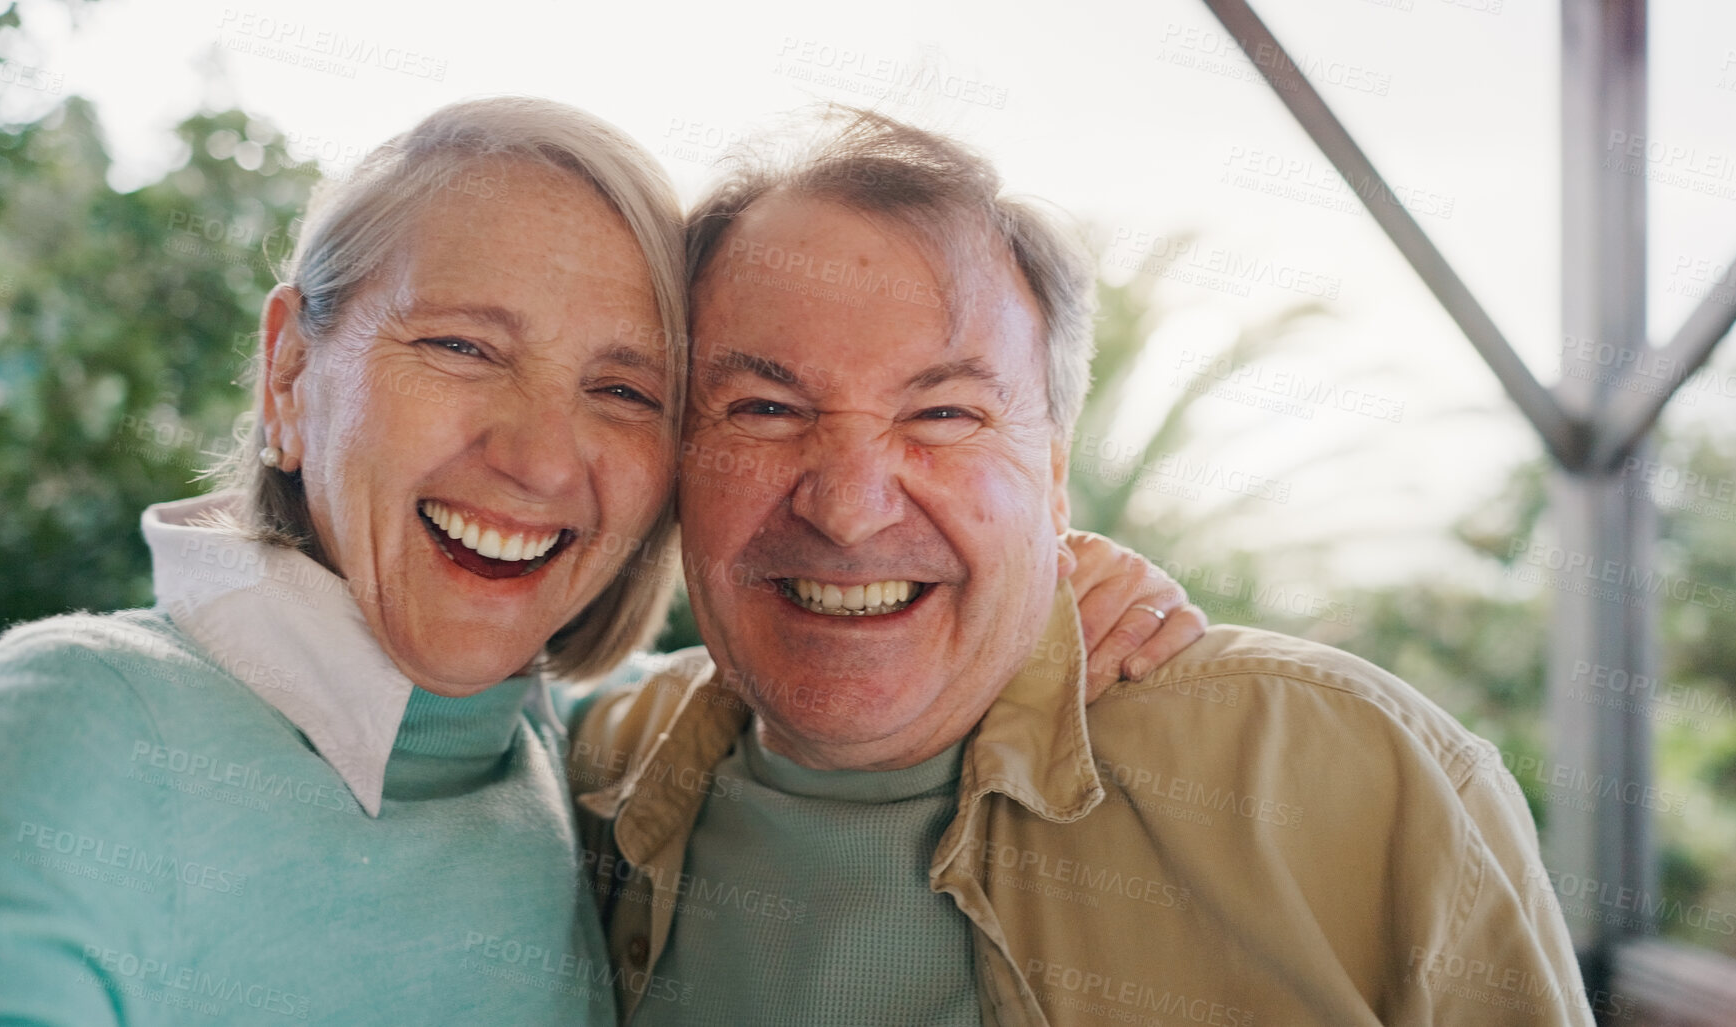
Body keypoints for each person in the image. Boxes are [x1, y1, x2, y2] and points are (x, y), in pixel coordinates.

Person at [0, 97, 1199, 1024]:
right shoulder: (72, 723)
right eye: (463, 347)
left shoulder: (573, 758)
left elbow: (821, 661)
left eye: (621, 388)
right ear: (291, 370)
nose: (541, 458)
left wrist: (1038, 585)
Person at [567, 109, 1595, 1027]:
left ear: (1053, 479)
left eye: (943, 416)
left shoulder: (1348, 774)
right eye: (765, 410)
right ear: (675, 467)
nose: (847, 505)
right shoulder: (595, 768)